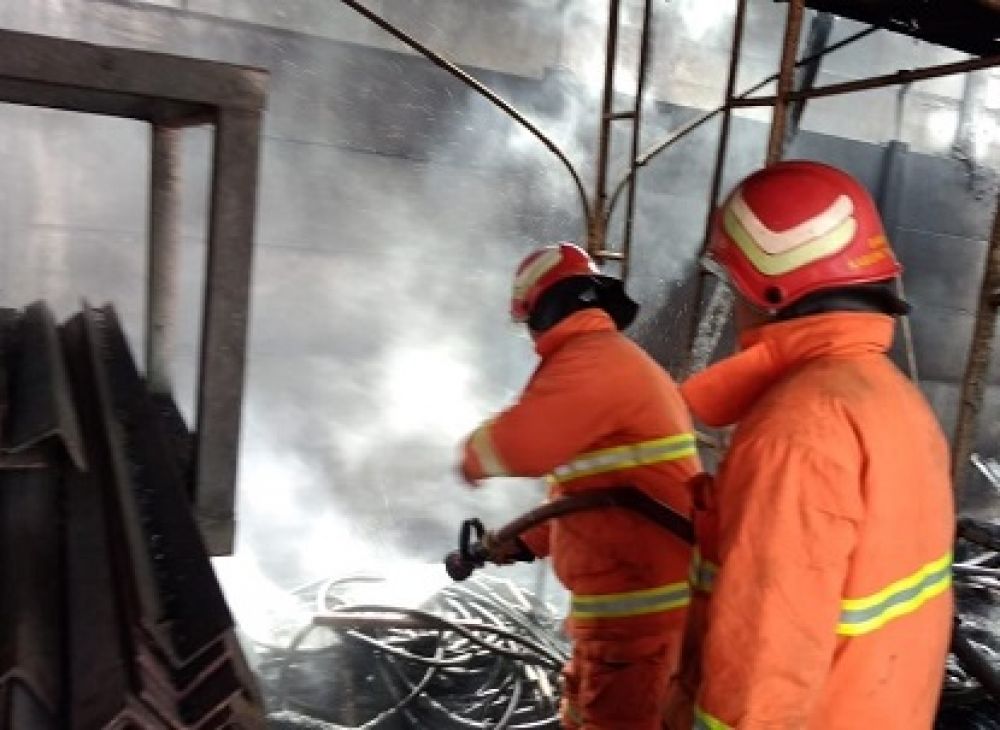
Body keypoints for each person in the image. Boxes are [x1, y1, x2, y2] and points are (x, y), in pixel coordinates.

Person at [665, 160, 955, 729]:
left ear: (770, 287)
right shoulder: (892, 399)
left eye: (734, 283)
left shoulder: (798, 429)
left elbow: (761, 669)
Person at [458, 242, 701, 730]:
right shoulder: (604, 360)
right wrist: (519, 545)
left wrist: (469, 457)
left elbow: (515, 446)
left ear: (542, 310)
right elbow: (588, 502)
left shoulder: (593, 360)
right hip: (617, 625)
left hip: (641, 627)